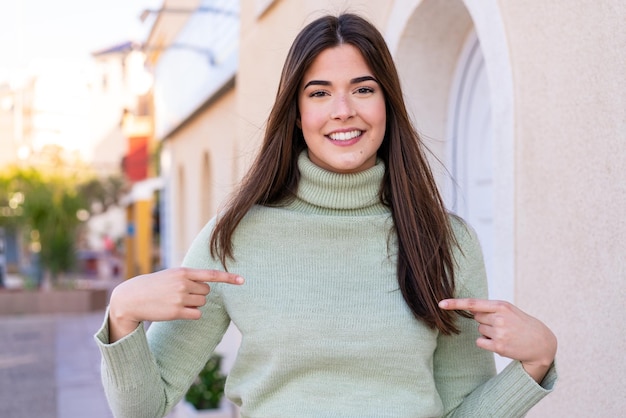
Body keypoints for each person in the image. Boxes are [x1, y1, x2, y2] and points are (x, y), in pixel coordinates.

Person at [95, 13, 557, 418]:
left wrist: (535, 365)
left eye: (363, 89)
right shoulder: (234, 238)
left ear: (387, 104)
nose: (343, 111)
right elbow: (143, 407)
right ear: (296, 114)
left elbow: (460, 411)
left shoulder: (445, 241)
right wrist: (123, 312)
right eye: (319, 93)